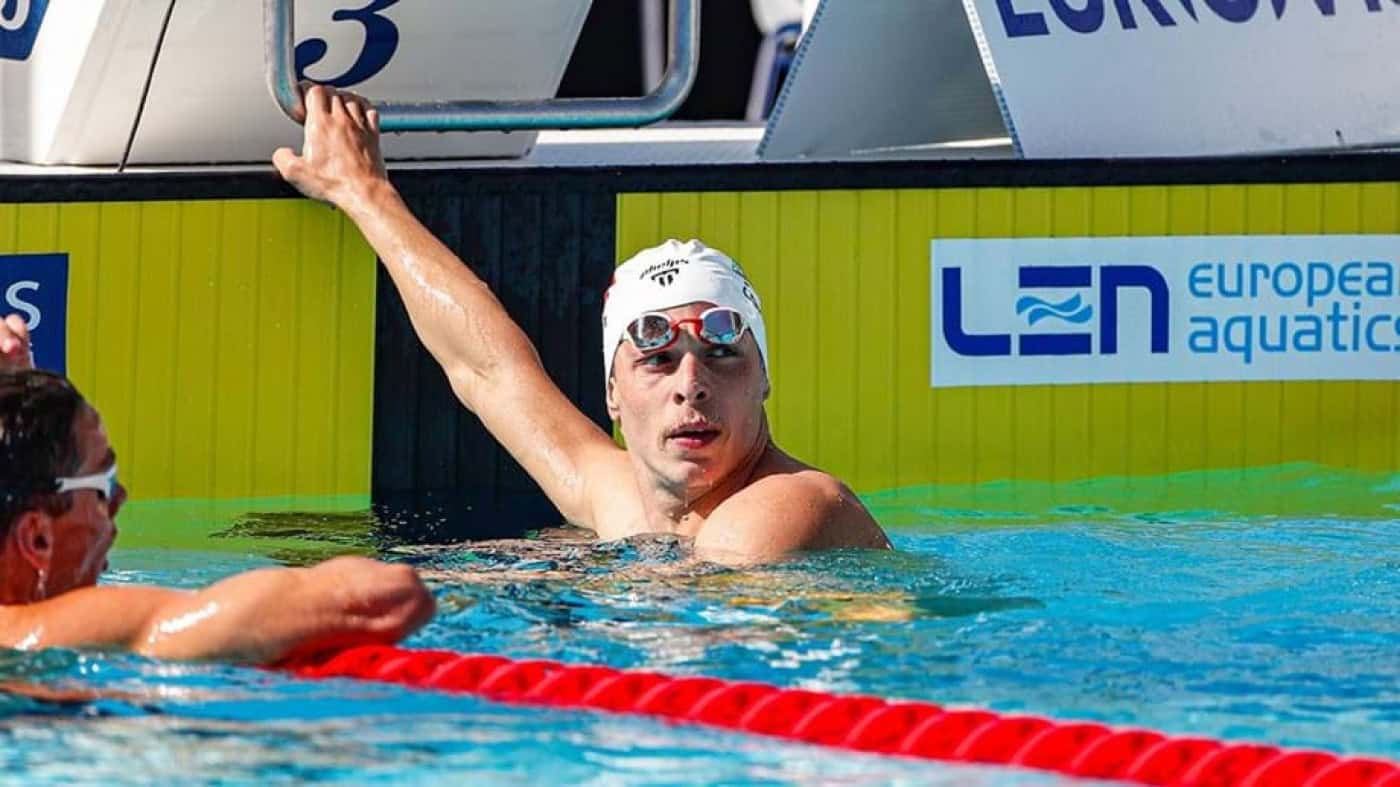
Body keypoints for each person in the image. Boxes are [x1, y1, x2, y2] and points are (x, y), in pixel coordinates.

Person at [271, 85, 890, 563]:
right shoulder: (618, 495)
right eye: (658, 359)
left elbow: (684, 631)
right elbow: (488, 370)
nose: (691, 385)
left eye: (722, 355)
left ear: (764, 379)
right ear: (613, 394)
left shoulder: (787, 507)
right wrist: (366, 194)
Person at [0, 330, 433, 664]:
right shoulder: (58, 627)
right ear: (37, 537)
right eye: (104, 485)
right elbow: (386, 599)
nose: (121, 499)